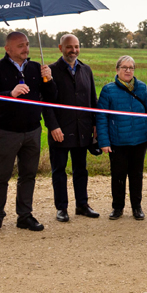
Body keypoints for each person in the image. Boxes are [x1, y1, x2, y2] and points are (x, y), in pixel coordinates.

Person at [0, 32, 56, 235]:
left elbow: (51, 97)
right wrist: (10, 94)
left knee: (28, 175)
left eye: (27, 44)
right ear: (8, 49)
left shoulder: (35, 68)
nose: (26, 49)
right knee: (1, 176)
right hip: (7, 132)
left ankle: (25, 216)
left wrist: (48, 79)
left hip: (32, 130)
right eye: (20, 45)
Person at [43, 34, 100, 223]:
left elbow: (93, 100)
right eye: (69, 47)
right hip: (60, 130)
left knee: (81, 169)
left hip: (82, 129)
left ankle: (82, 205)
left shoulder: (86, 70)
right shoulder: (50, 71)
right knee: (59, 170)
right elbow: (46, 103)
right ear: (60, 48)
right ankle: (62, 208)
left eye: (76, 46)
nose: (73, 50)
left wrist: (95, 125)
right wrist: (53, 126)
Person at [96, 55, 147, 221]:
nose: (128, 70)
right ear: (117, 70)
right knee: (118, 175)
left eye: (131, 67)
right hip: (117, 141)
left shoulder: (142, 88)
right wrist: (104, 141)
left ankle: (137, 207)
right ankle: (117, 208)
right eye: (124, 67)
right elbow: (101, 118)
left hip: (140, 139)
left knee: (136, 175)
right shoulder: (108, 90)